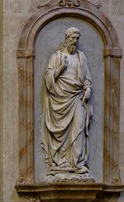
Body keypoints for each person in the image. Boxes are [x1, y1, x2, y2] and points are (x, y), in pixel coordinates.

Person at [41, 27, 93, 175]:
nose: (75, 41)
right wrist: (61, 68)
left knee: (79, 128)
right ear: (66, 39)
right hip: (59, 99)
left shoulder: (81, 57)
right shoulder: (57, 57)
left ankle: (77, 163)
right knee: (62, 133)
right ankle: (61, 162)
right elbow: (48, 79)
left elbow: (87, 79)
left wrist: (88, 89)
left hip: (77, 97)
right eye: (73, 38)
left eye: (77, 39)